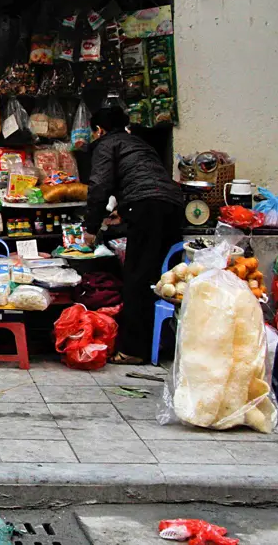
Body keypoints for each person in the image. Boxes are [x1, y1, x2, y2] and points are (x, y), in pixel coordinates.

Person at [81, 105, 183, 365]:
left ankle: (133, 350)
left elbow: (99, 186)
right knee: (163, 277)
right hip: (172, 205)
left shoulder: (106, 144)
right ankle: (163, 343)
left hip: (147, 207)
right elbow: (145, 180)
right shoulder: (138, 143)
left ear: (99, 130)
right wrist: (122, 213)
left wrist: (90, 228)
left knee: (137, 277)